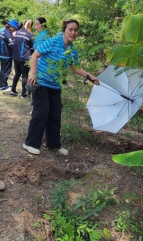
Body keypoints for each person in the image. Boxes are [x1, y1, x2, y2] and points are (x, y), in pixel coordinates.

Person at [23, 19, 99, 156]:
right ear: (64, 30)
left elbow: (76, 68)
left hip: (55, 84)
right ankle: (30, 143)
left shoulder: (72, 50)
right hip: (40, 82)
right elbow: (35, 55)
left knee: (55, 114)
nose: (73, 32)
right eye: (70, 29)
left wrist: (91, 76)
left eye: (76, 30)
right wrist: (32, 73)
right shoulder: (52, 42)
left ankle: (53, 145)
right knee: (42, 112)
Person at [10, 18, 34, 99]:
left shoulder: (18, 32)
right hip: (24, 58)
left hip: (15, 57)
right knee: (24, 75)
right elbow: (32, 47)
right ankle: (24, 94)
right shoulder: (30, 35)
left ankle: (13, 90)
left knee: (17, 73)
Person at [0, 20, 14, 90]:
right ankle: (4, 86)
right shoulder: (7, 33)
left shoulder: (2, 31)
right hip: (6, 54)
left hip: (2, 53)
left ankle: (3, 85)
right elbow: (11, 44)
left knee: (3, 70)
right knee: (6, 70)